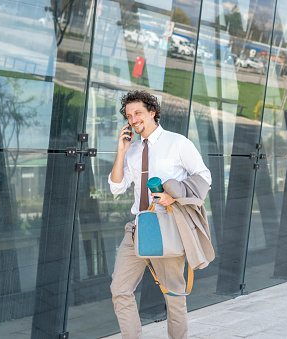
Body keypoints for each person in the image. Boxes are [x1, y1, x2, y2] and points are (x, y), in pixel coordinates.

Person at [108, 90, 211, 338]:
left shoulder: (177, 143)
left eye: (138, 113)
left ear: (152, 112)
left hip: (167, 226)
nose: (133, 119)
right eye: (129, 115)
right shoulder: (132, 151)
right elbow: (116, 187)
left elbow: (204, 177)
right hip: (139, 227)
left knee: (173, 293)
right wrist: (121, 151)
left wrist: (173, 196)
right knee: (120, 289)